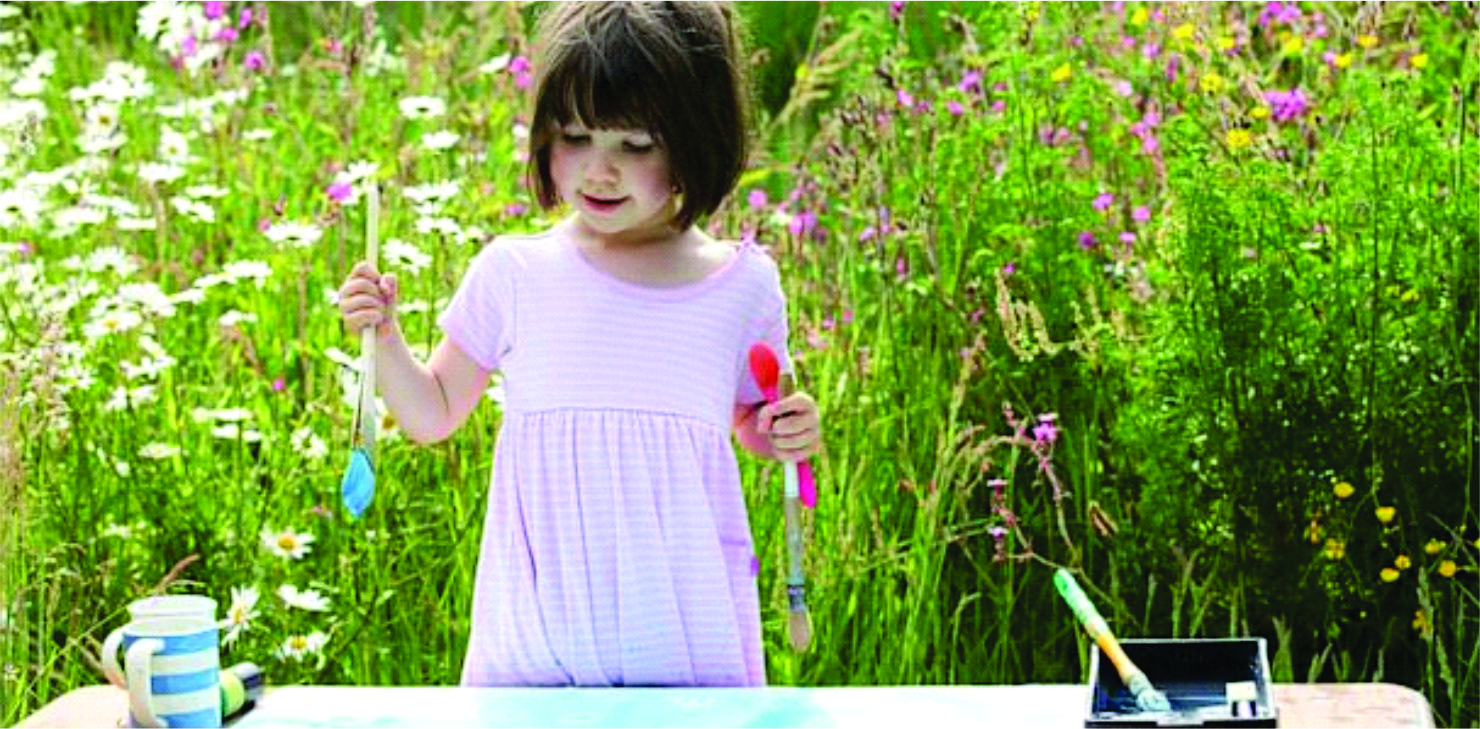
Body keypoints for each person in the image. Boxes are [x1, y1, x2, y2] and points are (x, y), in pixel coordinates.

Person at [337, 1, 822, 688]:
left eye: (636, 144)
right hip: (538, 651)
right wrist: (384, 338)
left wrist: (786, 430)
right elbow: (433, 411)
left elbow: (753, 421)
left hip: (682, 645)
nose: (599, 170)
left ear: (696, 138)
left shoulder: (743, 288)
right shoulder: (515, 274)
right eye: (575, 136)